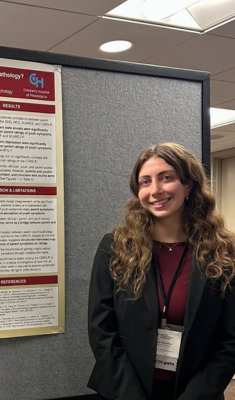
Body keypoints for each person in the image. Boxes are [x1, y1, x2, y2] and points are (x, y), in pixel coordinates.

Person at [87, 142, 235, 400]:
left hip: (196, 392)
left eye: (166, 178)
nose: (155, 190)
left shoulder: (223, 252)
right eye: (145, 182)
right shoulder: (116, 247)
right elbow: (102, 332)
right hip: (124, 392)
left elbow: (231, 340)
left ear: (188, 185)